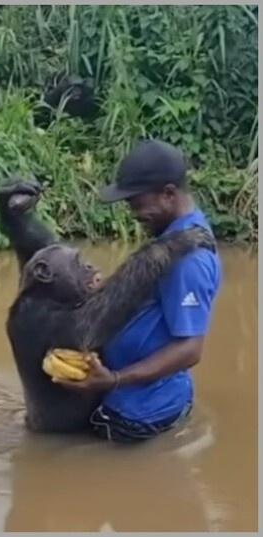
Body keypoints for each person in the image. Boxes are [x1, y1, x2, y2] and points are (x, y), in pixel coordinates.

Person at [55, 140, 222, 443]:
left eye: (136, 202)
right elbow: (146, 284)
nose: (132, 212)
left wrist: (115, 379)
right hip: (126, 398)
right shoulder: (177, 235)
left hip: (140, 414)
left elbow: (190, 349)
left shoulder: (189, 258)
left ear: (168, 194)